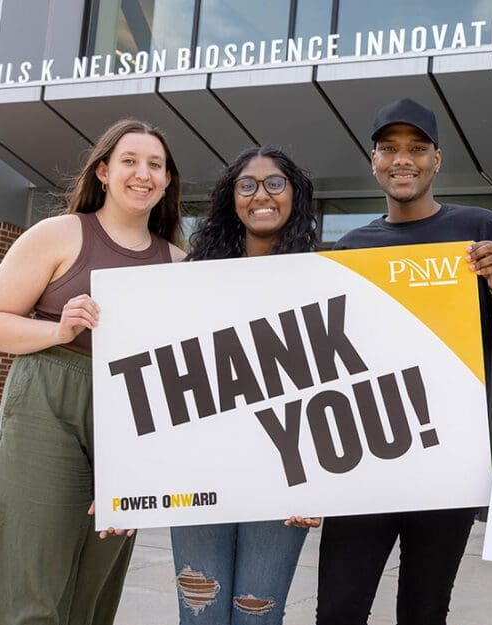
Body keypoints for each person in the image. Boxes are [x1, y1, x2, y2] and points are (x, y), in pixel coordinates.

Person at [316, 98, 492, 625]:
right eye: (389, 149)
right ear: (372, 160)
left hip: (449, 460)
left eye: (417, 148)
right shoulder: (351, 248)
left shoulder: (481, 229)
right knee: (338, 611)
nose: (403, 159)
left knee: (424, 611)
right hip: (364, 460)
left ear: (436, 160)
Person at [0, 118, 185, 625]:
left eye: (155, 164)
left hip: (131, 412)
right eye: (129, 160)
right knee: (32, 581)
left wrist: (145, 468)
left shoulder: (179, 265)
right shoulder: (59, 234)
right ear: (103, 171)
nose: (142, 173)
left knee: (96, 586)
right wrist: (57, 331)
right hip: (48, 400)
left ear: (168, 180)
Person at [171, 146, 320, 625]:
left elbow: (332, 387)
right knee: (201, 612)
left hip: (282, 472)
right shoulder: (189, 281)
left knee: (258, 614)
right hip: (198, 470)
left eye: (275, 183)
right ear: (231, 198)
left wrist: (326, 484)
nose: (262, 195)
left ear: (294, 195)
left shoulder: (323, 281)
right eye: (248, 184)